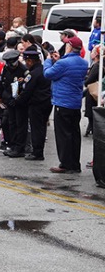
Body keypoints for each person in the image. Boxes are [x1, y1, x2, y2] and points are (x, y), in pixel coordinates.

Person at [43, 35, 88, 174]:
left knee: (63, 135)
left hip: (62, 102)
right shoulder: (83, 63)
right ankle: (75, 163)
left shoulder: (63, 64)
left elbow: (48, 74)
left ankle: (66, 164)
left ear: (69, 47)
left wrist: (49, 61)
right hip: (75, 102)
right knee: (74, 134)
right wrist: (59, 60)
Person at [21, 48, 52, 161]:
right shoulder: (44, 70)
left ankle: (37, 152)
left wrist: (20, 101)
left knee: (36, 128)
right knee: (42, 127)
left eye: (26, 61)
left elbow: (27, 90)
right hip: (47, 102)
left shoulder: (33, 74)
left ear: (30, 61)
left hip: (36, 104)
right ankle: (39, 150)